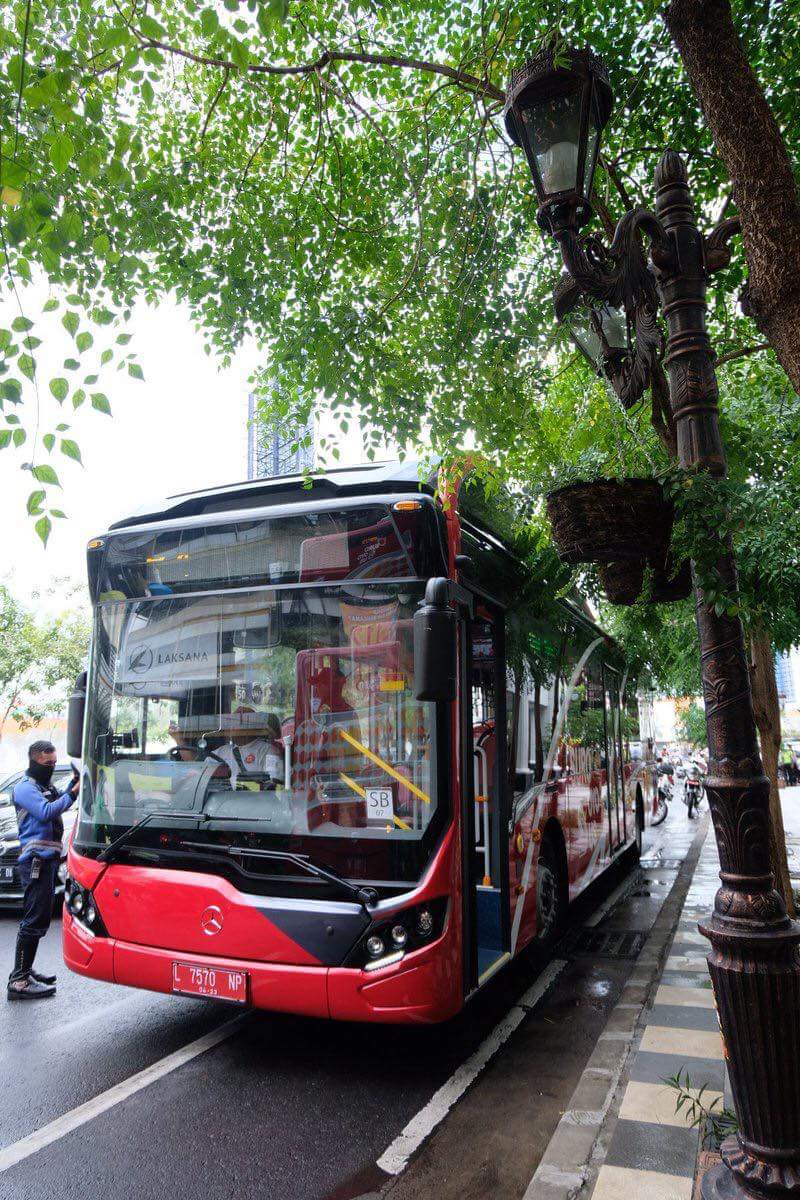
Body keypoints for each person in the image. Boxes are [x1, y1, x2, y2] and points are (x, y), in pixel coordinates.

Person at [7, 741, 80, 1001]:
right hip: (35, 860)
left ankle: (25, 970)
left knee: (39, 918)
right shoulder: (25, 789)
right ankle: (19, 981)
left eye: (53, 763)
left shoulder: (43, 787)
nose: (50, 767)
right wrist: (72, 794)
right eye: (47, 764)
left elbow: (59, 798)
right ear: (34, 761)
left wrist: (73, 786)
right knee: (33, 918)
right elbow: (47, 811)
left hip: (47, 860)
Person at [213, 711, 285, 788]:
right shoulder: (222, 750)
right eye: (231, 723)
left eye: (236, 723)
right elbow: (202, 772)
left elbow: (274, 782)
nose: (230, 728)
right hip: (220, 796)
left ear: (249, 726)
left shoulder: (268, 750)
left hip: (253, 798)